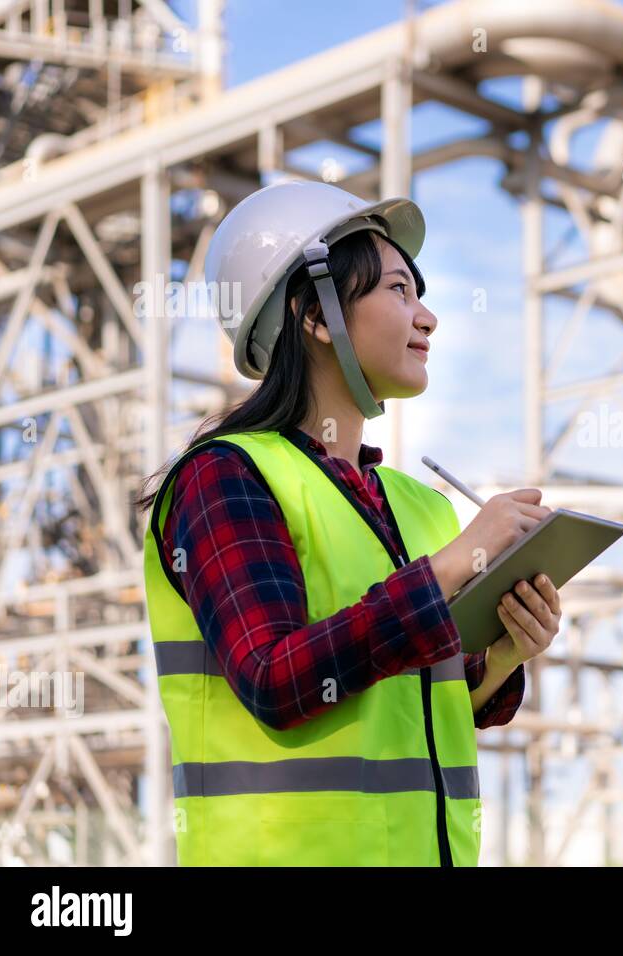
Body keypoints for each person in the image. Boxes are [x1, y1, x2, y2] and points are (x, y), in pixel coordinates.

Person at [134, 179, 559, 866]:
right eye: (398, 291)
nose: (428, 318)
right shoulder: (226, 477)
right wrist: (452, 568)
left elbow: (415, 700)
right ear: (316, 315)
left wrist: (504, 651)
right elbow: (274, 678)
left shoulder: (422, 506)